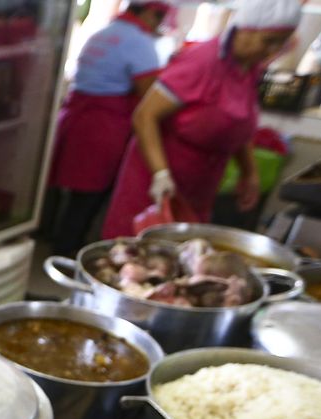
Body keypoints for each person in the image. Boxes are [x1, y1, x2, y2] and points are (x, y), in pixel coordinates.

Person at [101, 0, 302, 238]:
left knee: (183, 256)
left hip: (200, 185)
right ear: (245, 28)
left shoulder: (249, 68)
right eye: (268, 41)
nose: (272, 51)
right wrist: (160, 173)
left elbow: (238, 128)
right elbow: (145, 116)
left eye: (281, 44)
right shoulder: (200, 62)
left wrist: (249, 172)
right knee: (137, 254)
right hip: (157, 182)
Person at [45, 0, 171, 255]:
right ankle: (67, 252)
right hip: (102, 126)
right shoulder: (140, 42)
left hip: (74, 118)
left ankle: (49, 238)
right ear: (148, 13)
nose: (160, 24)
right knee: (87, 197)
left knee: (61, 190)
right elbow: (149, 96)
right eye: (159, 17)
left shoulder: (103, 33)